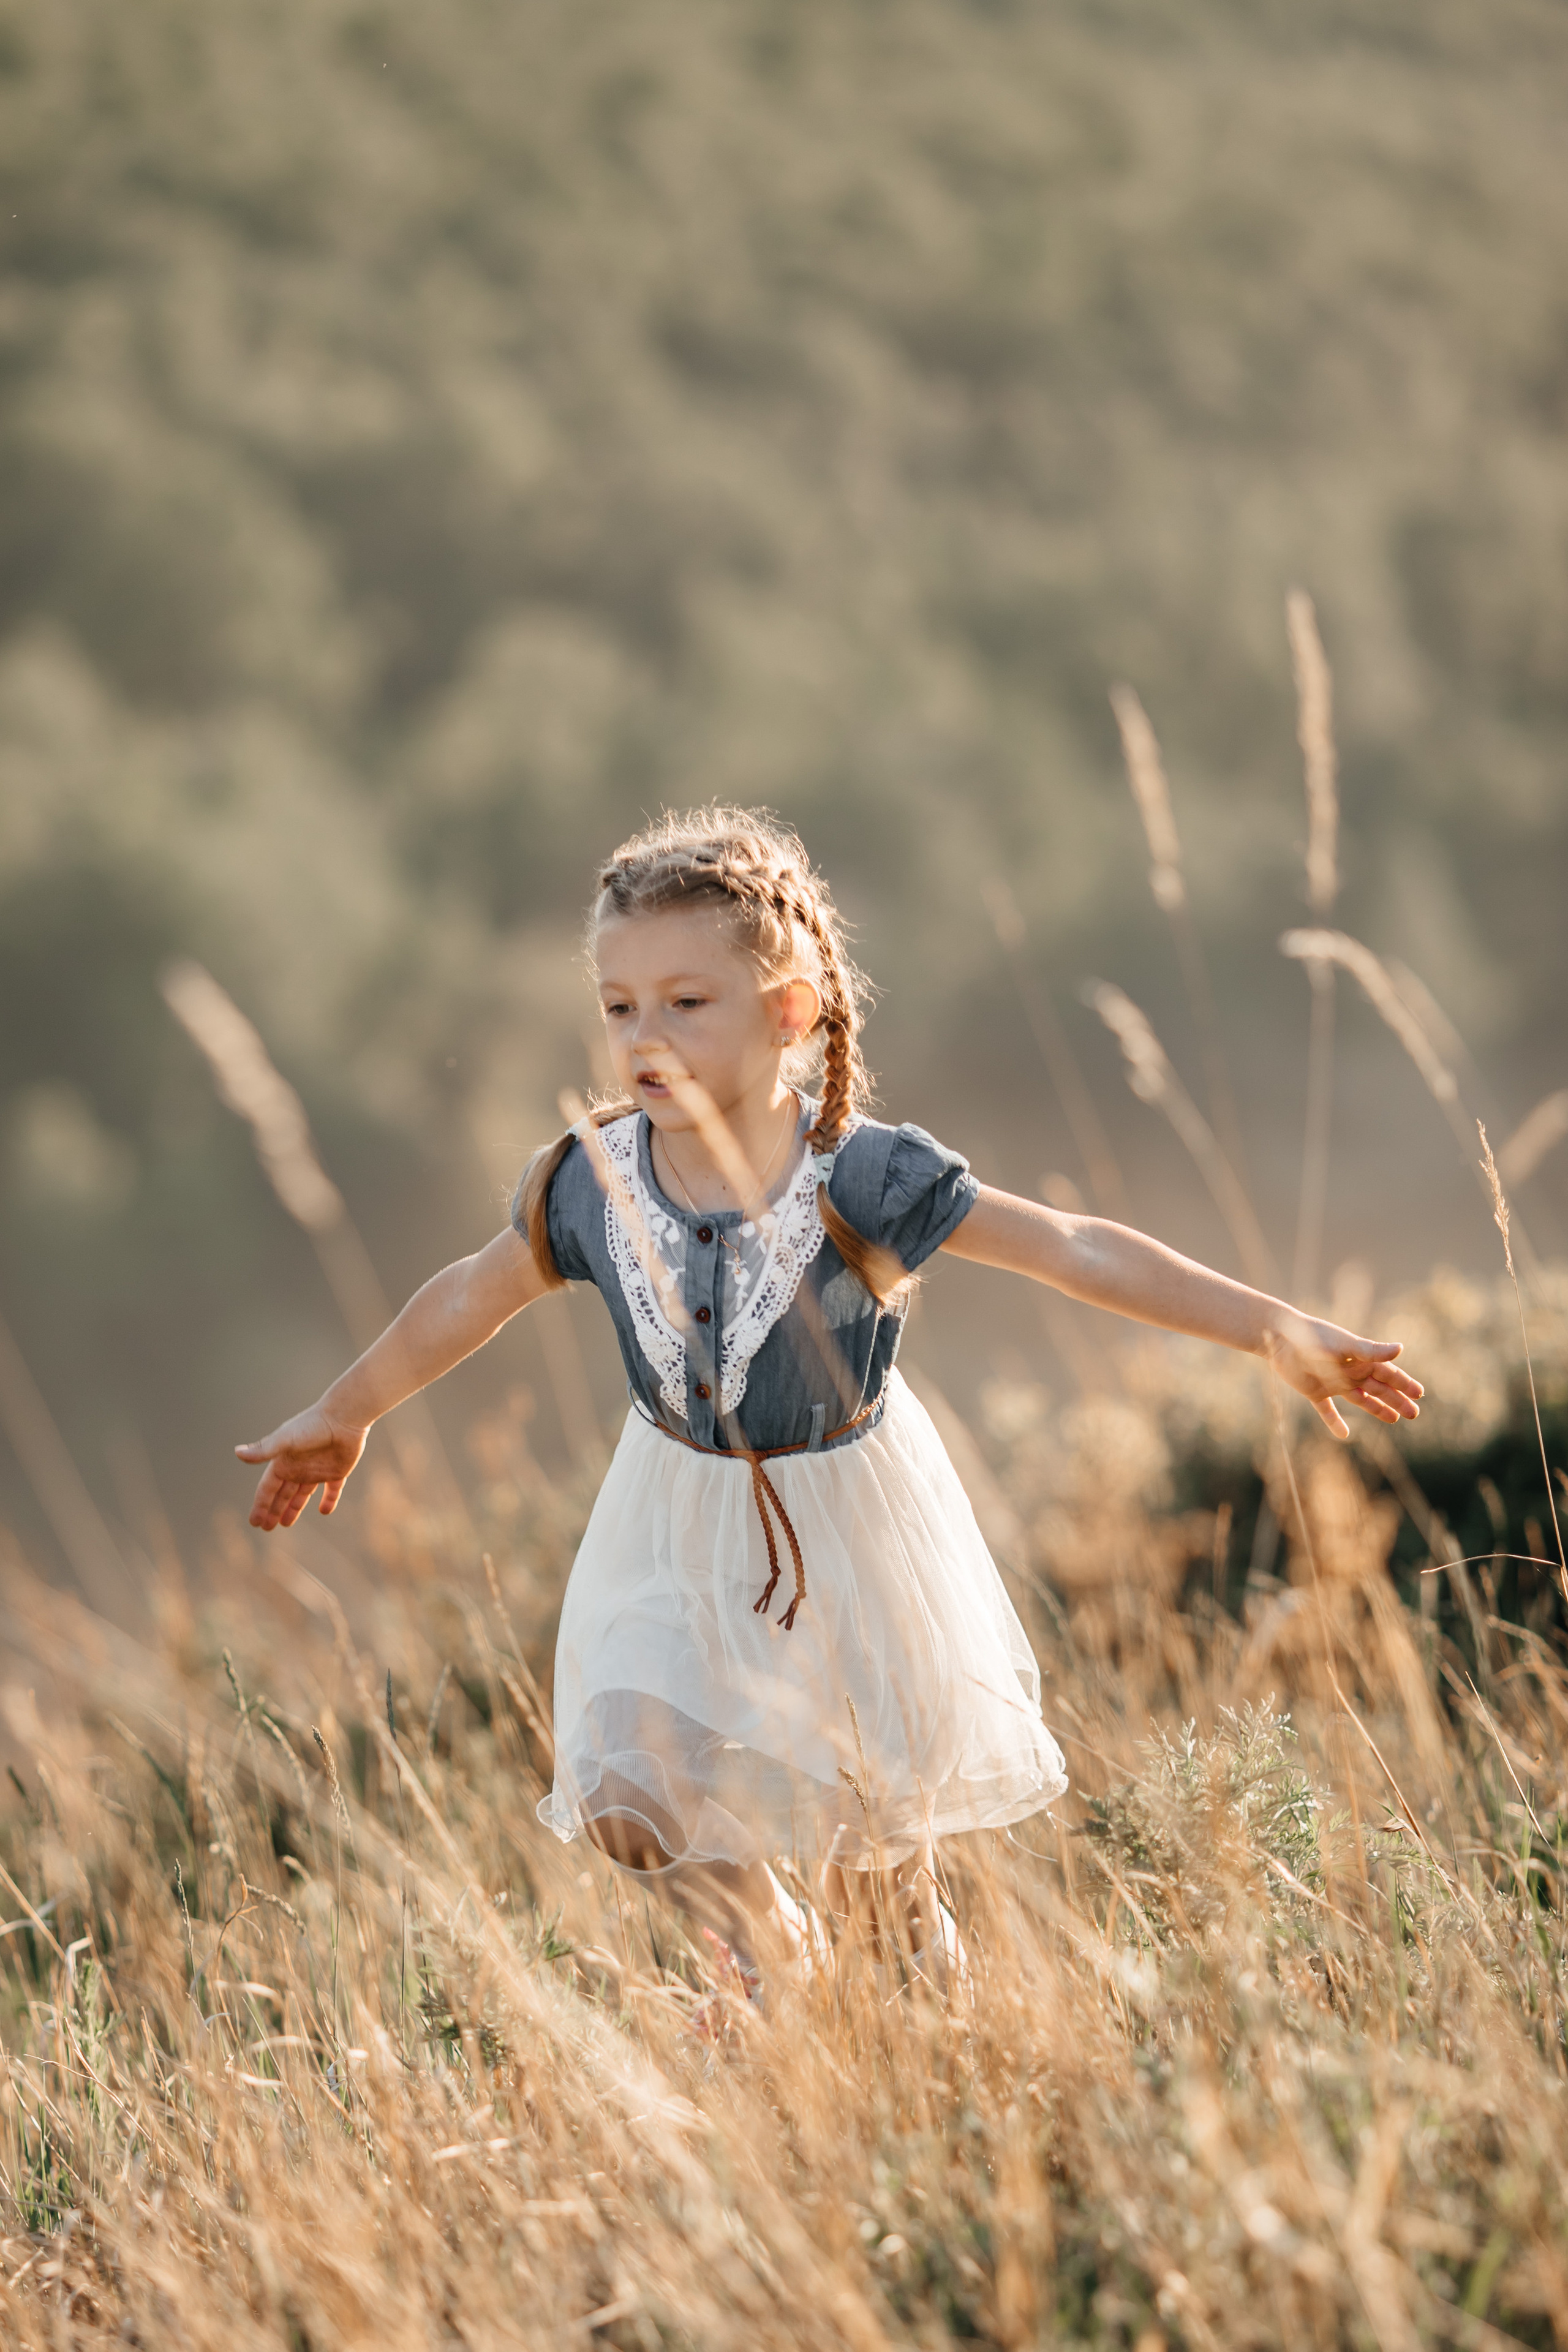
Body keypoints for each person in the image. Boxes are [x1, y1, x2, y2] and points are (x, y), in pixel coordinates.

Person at [238, 807, 1422, 1998]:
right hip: (669, 1521)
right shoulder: (593, 1181)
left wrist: (1281, 1333)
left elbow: (1074, 1249)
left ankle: (933, 2052)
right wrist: (351, 1408)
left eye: (685, 1003)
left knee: (878, 1887)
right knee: (625, 1799)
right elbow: (467, 1296)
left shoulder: (859, 1175)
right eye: (617, 1005)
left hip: (848, 1533)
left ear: (788, 1010)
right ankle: (766, 1939)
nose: (643, 1034)